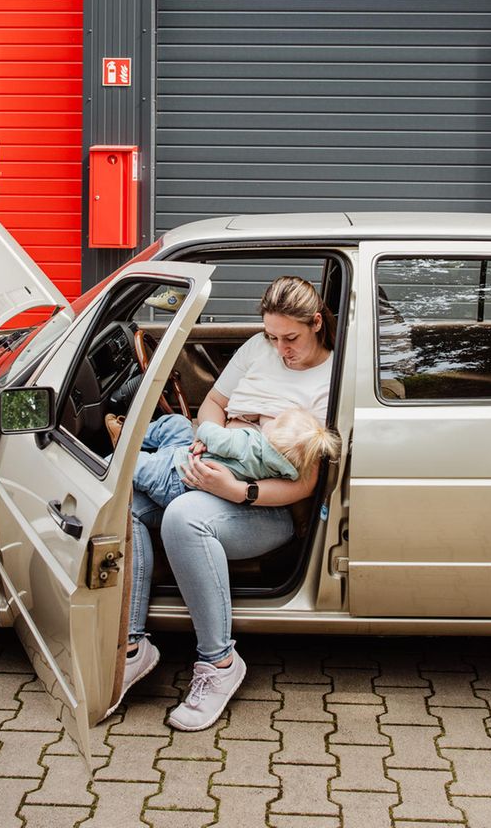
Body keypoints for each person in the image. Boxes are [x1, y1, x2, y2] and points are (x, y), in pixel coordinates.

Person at [115, 276, 337, 731]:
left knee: (183, 517)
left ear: (316, 323)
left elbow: (305, 485)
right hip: (215, 463)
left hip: (266, 506)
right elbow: (213, 404)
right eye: (272, 336)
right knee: (129, 503)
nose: (281, 349)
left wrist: (238, 490)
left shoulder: (330, 379)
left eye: (290, 338)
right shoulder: (259, 348)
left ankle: (219, 664)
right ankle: (133, 647)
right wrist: (206, 439)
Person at [119, 407, 340, 515]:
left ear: (272, 436)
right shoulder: (288, 470)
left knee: (131, 464)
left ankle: (113, 453)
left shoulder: (250, 444)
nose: (271, 419)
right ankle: (124, 437)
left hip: (178, 474)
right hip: (186, 463)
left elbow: (212, 433)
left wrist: (204, 435)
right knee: (178, 425)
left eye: (276, 420)